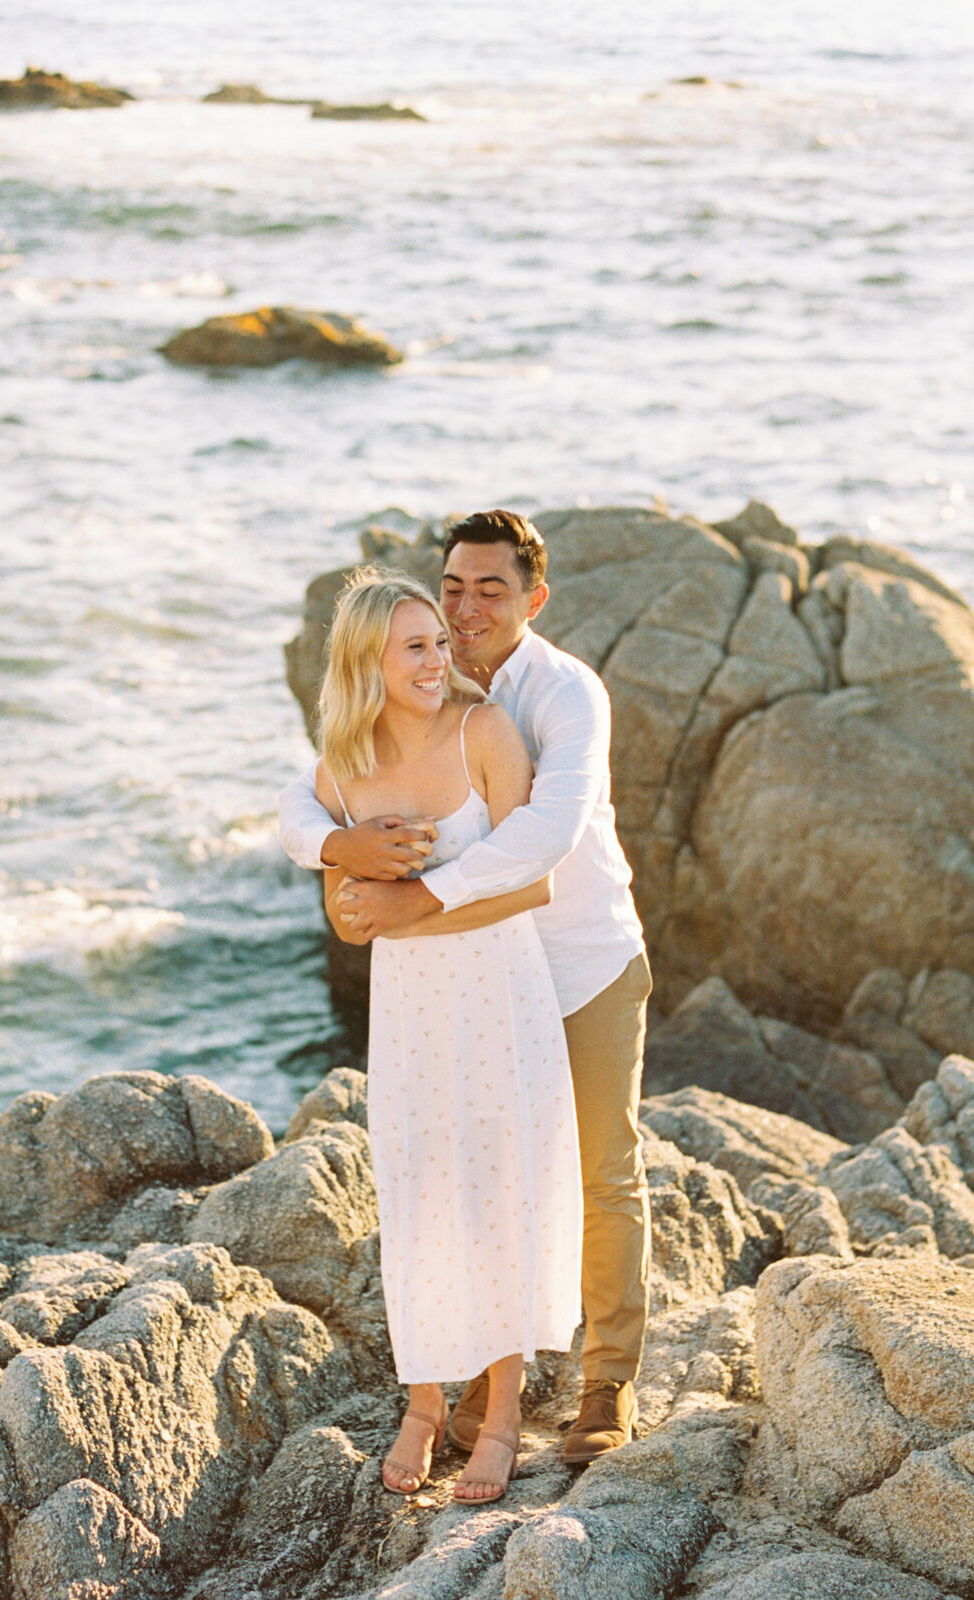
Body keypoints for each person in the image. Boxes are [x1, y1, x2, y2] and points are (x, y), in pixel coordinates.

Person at [280, 509, 652, 1470]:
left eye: (490, 589)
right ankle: (457, 1388)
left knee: (597, 1170)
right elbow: (309, 801)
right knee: (460, 1177)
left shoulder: (564, 696)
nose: (466, 606)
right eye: (452, 588)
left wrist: (411, 902)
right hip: (460, 982)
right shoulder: (418, 693)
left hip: (582, 957)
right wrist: (336, 850)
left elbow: (545, 843)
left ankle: (604, 1382)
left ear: (532, 599)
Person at [303, 568, 582, 1503]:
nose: (439, 658)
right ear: (367, 661)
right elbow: (342, 904)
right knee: (419, 1194)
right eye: (415, 646)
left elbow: (534, 882)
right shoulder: (343, 763)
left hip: (500, 990)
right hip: (411, 1009)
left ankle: (499, 1417)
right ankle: (425, 1403)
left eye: (438, 641)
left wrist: (403, 910)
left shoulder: (486, 732)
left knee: (501, 1187)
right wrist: (341, 859)